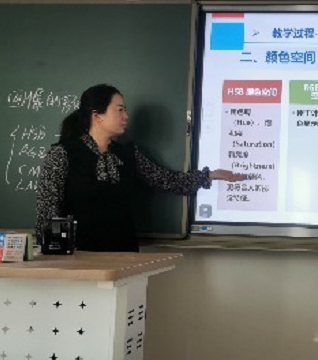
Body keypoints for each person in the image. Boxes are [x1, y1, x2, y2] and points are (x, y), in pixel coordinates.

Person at [36, 84, 245, 252]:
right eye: (120, 110)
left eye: (125, 110)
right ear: (97, 115)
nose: (126, 116)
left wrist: (209, 175)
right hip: (79, 258)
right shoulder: (62, 154)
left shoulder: (127, 154)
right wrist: (54, 255)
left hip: (124, 256)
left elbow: (166, 180)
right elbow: (47, 211)